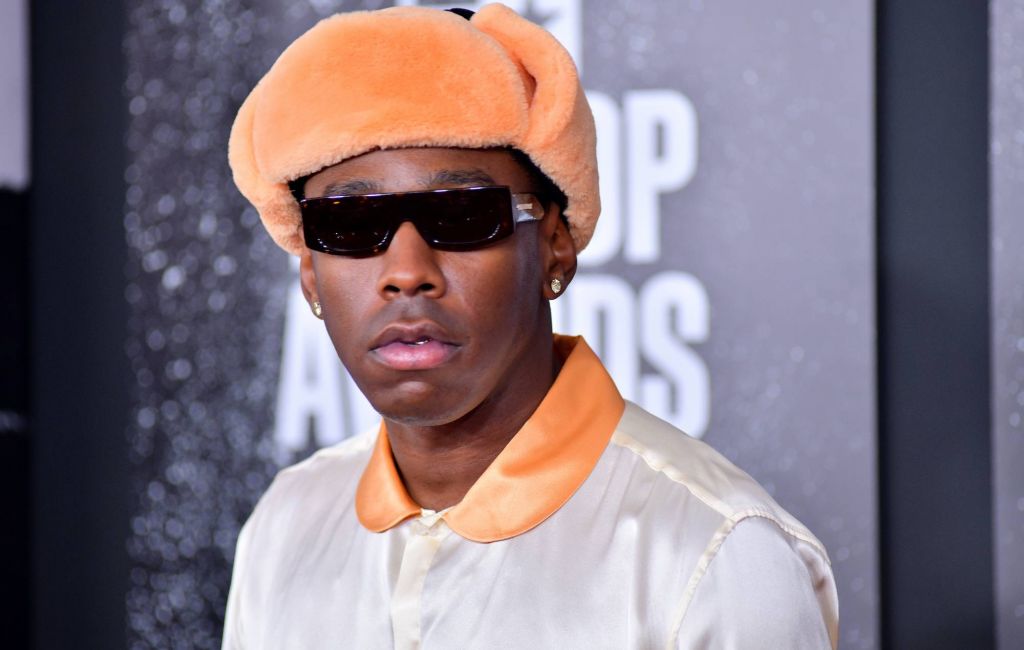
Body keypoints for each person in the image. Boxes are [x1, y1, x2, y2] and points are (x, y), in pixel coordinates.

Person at [222, 4, 839, 649]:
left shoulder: (712, 554)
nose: (406, 272)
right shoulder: (286, 525)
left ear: (554, 247)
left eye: (461, 214)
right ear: (311, 276)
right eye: (349, 223)